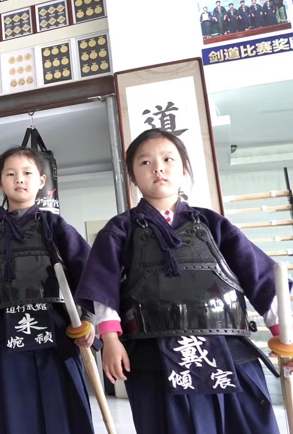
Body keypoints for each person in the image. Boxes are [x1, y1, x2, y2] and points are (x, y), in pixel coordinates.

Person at [75, 129, 282, 434]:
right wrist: (110, 340)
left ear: (184, 169)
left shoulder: (212, 223)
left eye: (167, 159)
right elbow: (102, 285)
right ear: (132, 177)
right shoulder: (120, 229)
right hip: (154, 353)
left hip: (227, 349)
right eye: (145, 162)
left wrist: (285, 334)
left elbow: (261, 277)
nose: (157, 168)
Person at [0, 147, 94, 434]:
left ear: (41, 180)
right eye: (11, 174)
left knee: (62, 402)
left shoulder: (55, 225)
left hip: (57, 328)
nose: (19, 179)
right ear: (1, 183)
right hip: (5, 328)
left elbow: (88, 273)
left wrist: (89, 319)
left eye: (27, 173)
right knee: (12, 405)